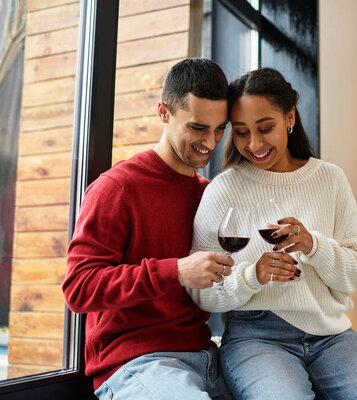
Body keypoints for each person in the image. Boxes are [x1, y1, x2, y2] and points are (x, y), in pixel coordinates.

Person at [189, 68, 357, 400]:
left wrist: (315, 245)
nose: (254, 144)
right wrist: (252, 275)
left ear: (290, 117)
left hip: (331, 335)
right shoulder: (224, 190)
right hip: (256, 336)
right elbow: (201, 293)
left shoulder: (329, 179)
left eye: (265, 128)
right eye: (241, 132)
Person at [63, 58, 235, 400]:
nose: (211, 141)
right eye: (198, 127)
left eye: (220, 129)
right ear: (164, 113)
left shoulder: (208, 193)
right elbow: (79, 289)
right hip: (136, 363)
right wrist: (176, 271)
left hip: (206, 358)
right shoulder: (117, 188)